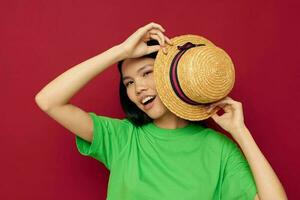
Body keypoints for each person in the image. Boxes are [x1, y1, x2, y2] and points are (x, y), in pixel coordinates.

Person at [35, 22, 287, 200]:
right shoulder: (122, 138)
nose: (138, 89)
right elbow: (48, 101)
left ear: (170, 75)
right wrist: (120, 52)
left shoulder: (218, 149)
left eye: (146, 73)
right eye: (129, 82)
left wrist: (241, 132)